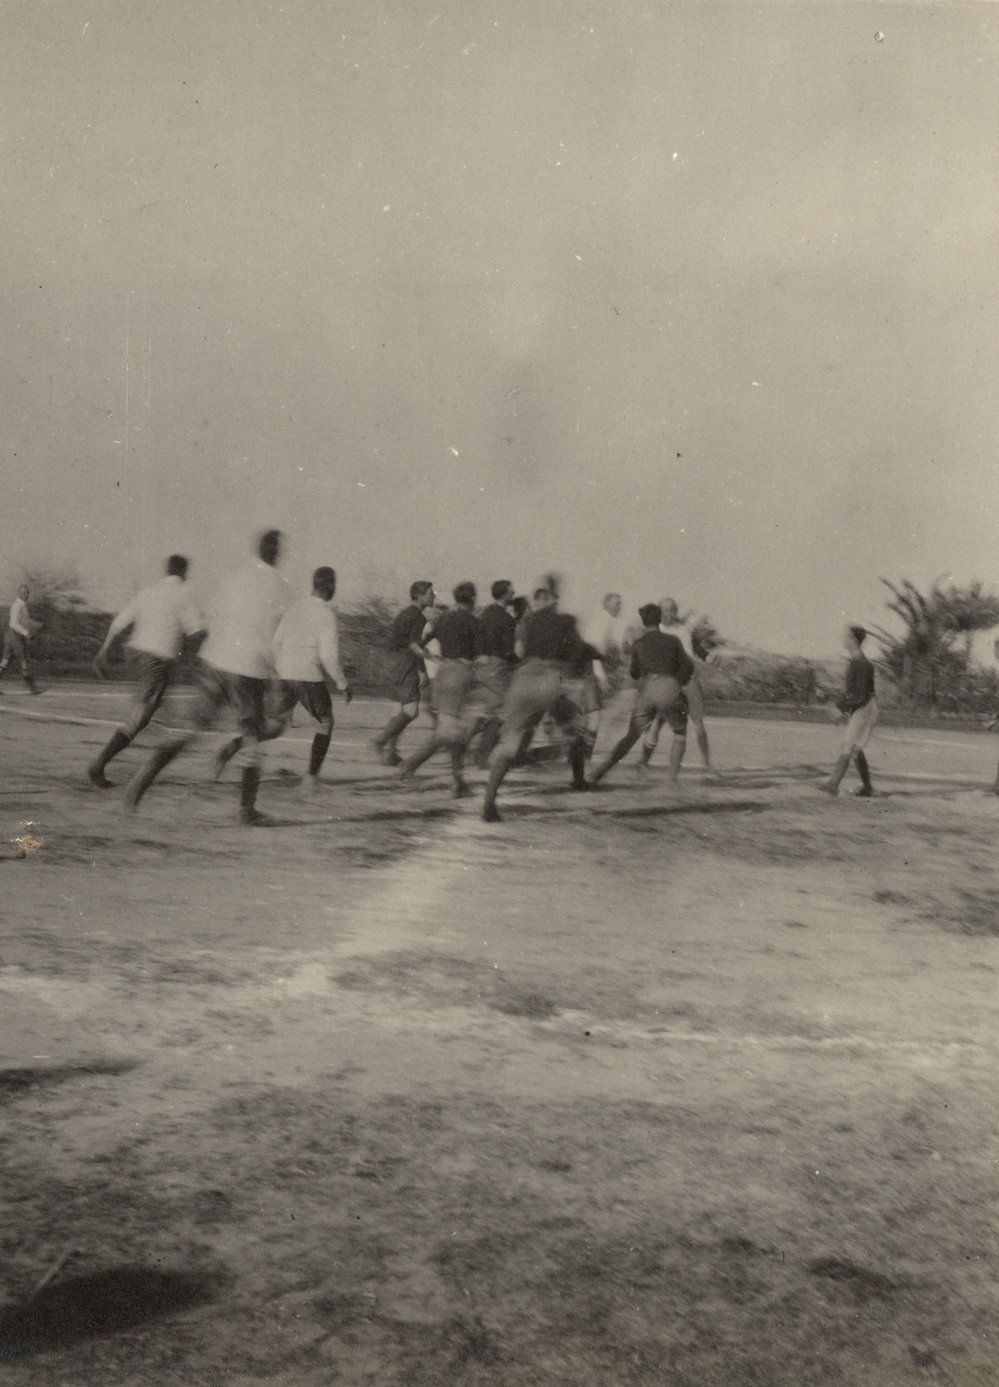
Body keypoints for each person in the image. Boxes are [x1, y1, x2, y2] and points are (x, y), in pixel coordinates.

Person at [123, 529, 291, 825]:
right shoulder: (281, 587)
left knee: (188, 729)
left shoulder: (235, 577)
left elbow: (213, 615)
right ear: (276, 553)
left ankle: (142, 780)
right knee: (252, 738)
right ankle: (247, 810)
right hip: (249, 669)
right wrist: (276, 675)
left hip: (214, 662)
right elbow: (280, 636)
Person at [212, 566, 352, 792]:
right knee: (325, 723)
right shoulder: (327, 614)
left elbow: (276, 642)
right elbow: (329, 655)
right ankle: (310, 779)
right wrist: (342, 683)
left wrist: (277, 670)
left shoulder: (294, 608)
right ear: (330, 586)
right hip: (307, 675)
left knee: (275, 725)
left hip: (283, 673)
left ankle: (230, 748)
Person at [481, 584, 601, 822]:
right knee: (577, 728)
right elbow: (578, 650)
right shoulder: (566, 620)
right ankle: (578, 780)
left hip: (523, 678)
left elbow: (518, 651)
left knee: (510, 745)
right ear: (553, 600)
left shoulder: (527, 621)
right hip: (550, 677)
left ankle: (489, 803)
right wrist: (595, 654)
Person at [88, 555, 207, 787]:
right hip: (156, 659)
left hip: (136, 655)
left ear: (167, 570)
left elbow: (120, 621)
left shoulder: (148, 592)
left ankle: (139, 743)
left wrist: (103, 650)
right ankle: (99, 764)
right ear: (184, 572)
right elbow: (197, 630)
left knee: (152, 711)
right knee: (141, 717)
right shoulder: (183, 593)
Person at [589, 604, 693, 785]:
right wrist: (678, 682)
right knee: (679, 734)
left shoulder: (639, 644)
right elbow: (688, 666)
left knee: (631, 736)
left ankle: (599, 772)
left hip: (648, 690)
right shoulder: (673, 640)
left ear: (644, 623)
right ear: (659, 619)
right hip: (670, 687)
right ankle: (672, 780)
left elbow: (635, 673)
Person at [400, 581, 480, 797]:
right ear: (472, 599)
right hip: (460, 676)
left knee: (452, 732)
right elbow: (480, 655)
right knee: (449, 733)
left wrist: (431, 657)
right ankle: (410, 765)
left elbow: (417, 643)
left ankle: (458, 782)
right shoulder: (474, 621)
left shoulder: (443, 619)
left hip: (443, 674)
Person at [642, 597, 714, 773]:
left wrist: (708, 657)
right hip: (668, 682)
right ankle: (643, 762)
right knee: (657, 723)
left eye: (673, 609)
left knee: (699, 723)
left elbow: (696, 648)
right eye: (666, 610)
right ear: (660, 612)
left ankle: (707, 765)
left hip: (689, 680)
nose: (670, 613)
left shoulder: (683, 630)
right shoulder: (655, 631)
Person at [370, 580, 436, 765]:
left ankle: (391, 754)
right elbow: (414, 646)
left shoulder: (405, 613)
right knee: (411, 711)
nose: (433, 596)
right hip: (404, 664)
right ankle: (379, 741)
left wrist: (421, 667)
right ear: (419, 595)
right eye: (430, 593)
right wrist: (431, 659)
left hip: (391, 663)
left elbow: (408, 642)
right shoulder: (418, 617)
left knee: (398, 708)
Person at [821, 624, 877, 797]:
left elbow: (860, 696)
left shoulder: (863, 665)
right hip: (862, 706)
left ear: (854, 640)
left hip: (866, 707)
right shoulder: (855, 662)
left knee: (849, 744)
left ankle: (832, 785)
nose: (843, 639)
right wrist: (840, 706)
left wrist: (840, 709)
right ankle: (867, 788)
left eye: (847, 636)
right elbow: (851, 693)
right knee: (854, 748)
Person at [471, 579, 517, 768]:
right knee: (502, 711)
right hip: (498, 666)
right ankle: (483, 755)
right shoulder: (507, 619)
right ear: (504, 594)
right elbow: (508, 651)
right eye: (511, 591)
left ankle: (472, 748)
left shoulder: (485, 613)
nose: (514, 593)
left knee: (490, 710)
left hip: (482, 666)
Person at [0, 584, 42, 694]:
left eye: (27, 592)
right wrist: (27, 633)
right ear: (18, 593)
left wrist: (36, 626)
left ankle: (32, 688)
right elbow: (13, 623)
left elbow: (24, 621)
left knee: (5, 661)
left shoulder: (22, 605)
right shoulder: (18, 605)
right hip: (15, 636)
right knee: (24, 660)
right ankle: (32, 688)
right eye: (23, 592)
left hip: (12, 636)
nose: (26, 595)